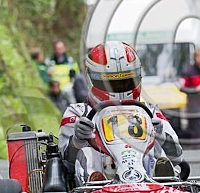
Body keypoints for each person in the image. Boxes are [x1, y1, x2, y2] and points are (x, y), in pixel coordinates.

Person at [58, 41, 184, 184]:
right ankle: (95, 181)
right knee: (87, 154)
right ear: (92, 79)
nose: (120, 89)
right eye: (111, 84)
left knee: (156, 152)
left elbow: (177, 158)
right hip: (100, 186)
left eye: (126, 82)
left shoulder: (150, 111)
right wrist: (77, 140)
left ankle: (163, 180)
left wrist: (161, 137)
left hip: (148, 181)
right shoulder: (78, 113)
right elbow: (66, 164)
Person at [179, 48, 200, 149]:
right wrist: (195, 89)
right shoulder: (188, 72)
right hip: (193, 107)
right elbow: (182, 87)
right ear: (195, 58)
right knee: (196, 132)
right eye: (199, 57)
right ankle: (198, 152)